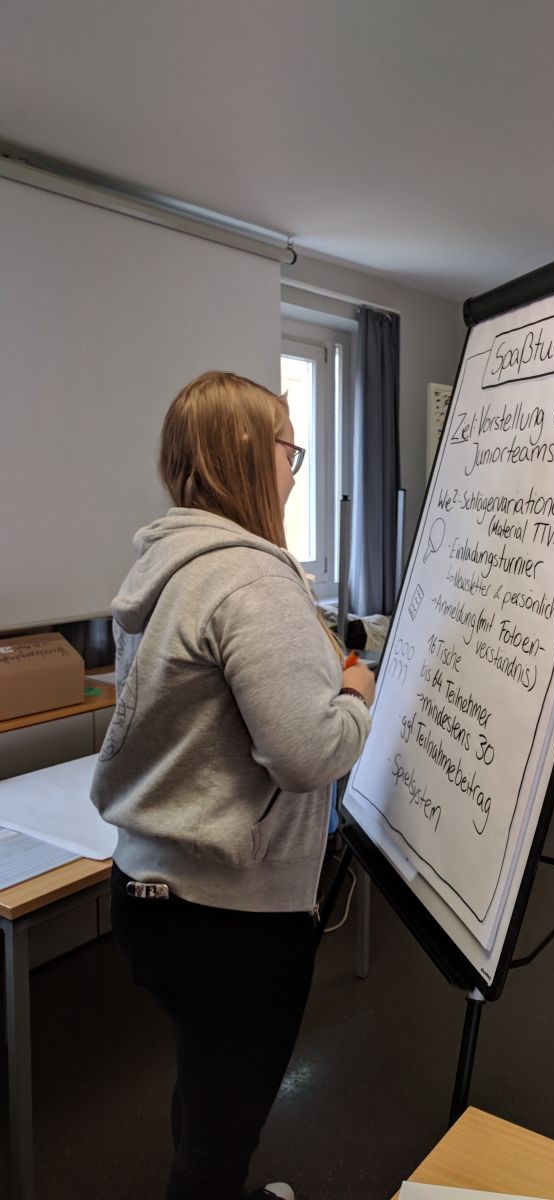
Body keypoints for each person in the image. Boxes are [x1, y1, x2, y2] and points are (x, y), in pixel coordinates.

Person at [91, 370, 375, 1200]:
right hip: (231, 919)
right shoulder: (253, 580)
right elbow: (307, 755)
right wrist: (356, 697)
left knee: (207, 1081)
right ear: (250, 456)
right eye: (291, 452)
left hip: (151, 894)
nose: (294, 472)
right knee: (224, 1131)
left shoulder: (167, 568)